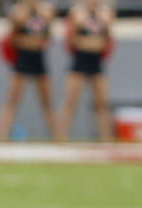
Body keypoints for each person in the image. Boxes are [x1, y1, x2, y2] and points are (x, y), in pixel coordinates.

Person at [0, 0, 57, 141]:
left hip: (38, 58)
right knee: (12, 100)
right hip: (22, 58)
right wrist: (21, 27)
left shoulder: (46, 11)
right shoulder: (17, 12)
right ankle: (1, 136)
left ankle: (56, 137)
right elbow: (10, 39)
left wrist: (44, 23)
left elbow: (48, 37)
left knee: (47, 101)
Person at [56, 0, 115, 142]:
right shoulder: (76, 13)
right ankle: (60, 138)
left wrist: (105, 24)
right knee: (70, 101)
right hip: (80, 59)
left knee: (102, 103)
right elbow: (72, 41)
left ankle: (106, 139)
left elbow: (107, 40)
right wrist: (79, 25)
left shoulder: (106, 13)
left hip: (96, 60)